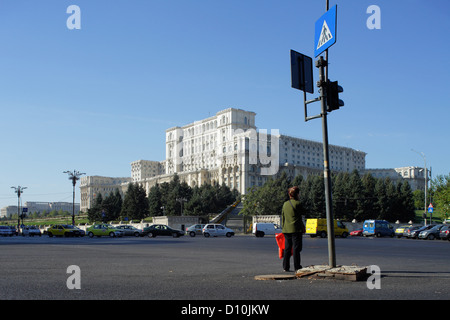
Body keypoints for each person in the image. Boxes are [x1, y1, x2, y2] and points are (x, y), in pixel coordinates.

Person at [281, 186, 306, 272]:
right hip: (296, 229)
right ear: (297, 194)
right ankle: (297, 266)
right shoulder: (298, 203)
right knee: (296, 249)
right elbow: (303, 213)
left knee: (287, 248)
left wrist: (283, 227)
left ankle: (285, 267)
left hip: (286, 229)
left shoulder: (285, 204)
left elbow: (283, 217)